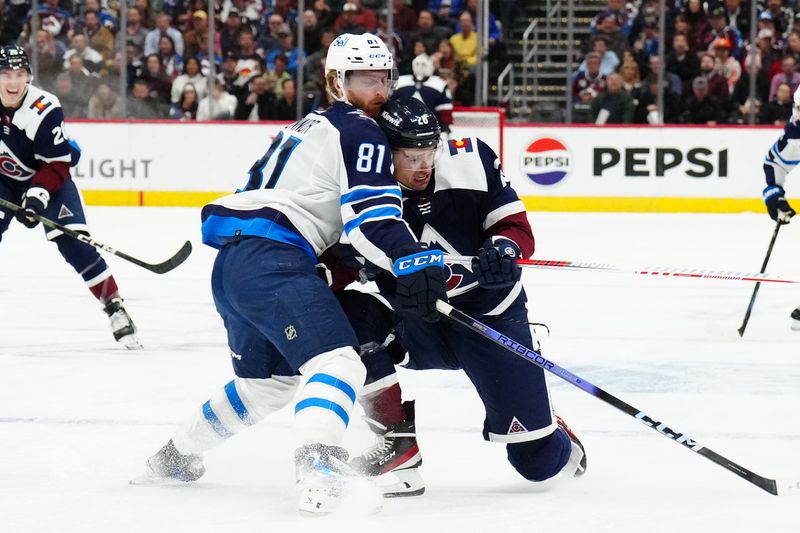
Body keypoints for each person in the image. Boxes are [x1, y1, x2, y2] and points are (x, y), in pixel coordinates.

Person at [137, 34, 447, 515]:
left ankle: (175, 457)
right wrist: (413, 258)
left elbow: (297, 205)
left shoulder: (303, 127)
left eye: (383, 77)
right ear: (335, 81)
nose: (379, 90)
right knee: (340, 362)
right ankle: (319, 467)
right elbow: (373, 221)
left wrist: (337, 261)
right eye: (364, 79)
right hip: (274, 260)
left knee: (268, 386)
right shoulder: (362, 130)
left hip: (235, 266)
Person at [328, 98, 587, 497]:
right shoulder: (365, 193)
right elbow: (342, 262)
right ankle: (397, 441)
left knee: (537, 465)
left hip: (492, 319)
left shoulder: (472, 160)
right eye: (410, 156)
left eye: (428, 151)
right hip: (417, 328)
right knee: (342, 317)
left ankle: (552, 429)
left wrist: (504, 248)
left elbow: (517, 229)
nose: (423, 165)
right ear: (383, 153)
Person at [0, 45, 141, 349]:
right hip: (3, 180)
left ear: (29, 76)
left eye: (20, 74)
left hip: (48, 178)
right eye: (5, 74)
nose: (13, 82)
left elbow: (56, 163)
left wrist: (37, 196)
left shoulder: (44, 107)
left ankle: (114, 307)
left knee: (75, 244)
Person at [761, 86, 799, 330]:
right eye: (797, 108)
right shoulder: (798, 130)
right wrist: (775, 195)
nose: (797, 114)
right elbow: (775, 163)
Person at [392, 54, 454, 136]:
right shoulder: (400, 82)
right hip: (401, 128)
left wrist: (444, 130)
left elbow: (445, 110)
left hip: (431, 130)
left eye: (423, 64)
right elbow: (391, 107)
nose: (420, 67)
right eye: (418, 64)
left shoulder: (440, 83)